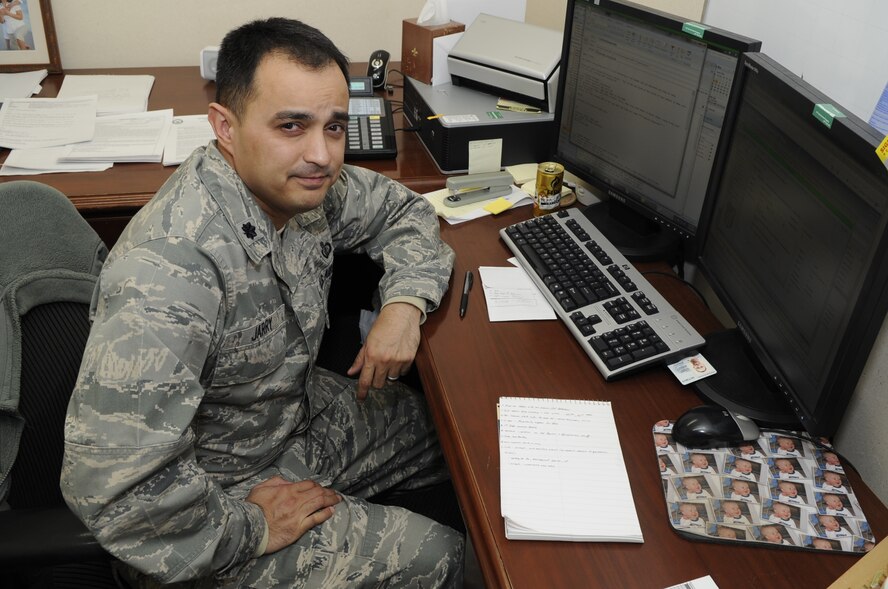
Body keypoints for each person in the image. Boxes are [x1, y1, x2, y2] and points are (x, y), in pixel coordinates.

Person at [61, 18, 464, 588]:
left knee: (456, 440)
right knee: (450, 559)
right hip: (207, 506)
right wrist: (251, 527)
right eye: (292, 126)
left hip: (289, 414)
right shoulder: (169, 272)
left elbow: (405, 212)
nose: (321, 155)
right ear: (225, 127)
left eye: (334, 127)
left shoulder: (296, 185)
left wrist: (404, 304)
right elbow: (115, 489)